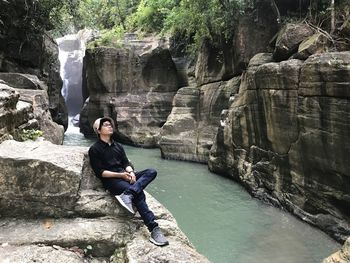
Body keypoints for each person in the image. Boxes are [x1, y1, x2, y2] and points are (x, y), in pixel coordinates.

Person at [88, 117, 169, 246]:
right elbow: (100, 172)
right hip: (112, 180)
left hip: (125, 175)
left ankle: (129, 194)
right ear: (98, 130)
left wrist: (131, 173)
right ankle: (154, 229)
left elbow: (126, 163)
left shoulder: (118, 146)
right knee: (140, 194)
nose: (110, 127)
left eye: (110, 125)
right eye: (106, 125)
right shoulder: (94, 149)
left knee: (151, 171)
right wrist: (121, 175)